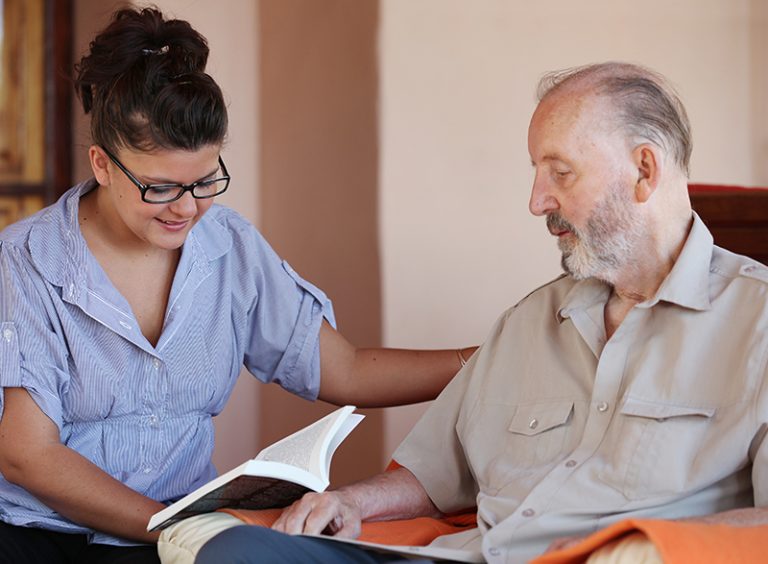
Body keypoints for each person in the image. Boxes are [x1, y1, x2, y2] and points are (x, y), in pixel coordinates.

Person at [193, 62, 768, 564]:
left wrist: (649, 548)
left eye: (560, 172)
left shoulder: (756, 323)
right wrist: (348, 501)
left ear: (645, 171)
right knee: (233, 549)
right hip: (460, 557)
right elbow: (434, 474)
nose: (537, 201)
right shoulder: (531, 321)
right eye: (537, 174)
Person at [0, 7, 476, 564]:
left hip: (172, 529)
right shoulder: (26, 260)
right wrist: (171, 530)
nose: (186, 207)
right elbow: (27, 454)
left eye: (205, 181)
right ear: (102, 165)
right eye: (160, 187)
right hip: (38, 534)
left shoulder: (230, 248)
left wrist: (491, 358)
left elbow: (344, 370)